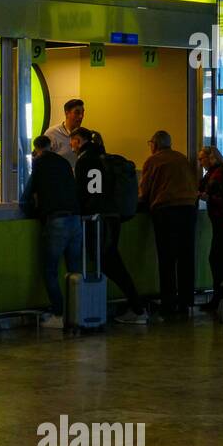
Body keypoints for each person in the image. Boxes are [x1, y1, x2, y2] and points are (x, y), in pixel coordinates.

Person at [72, 128, 147, 324]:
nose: (71, 146)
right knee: (110, 261)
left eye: (72, 142)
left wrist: (83, 210)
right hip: (111, 217)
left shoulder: (86, 160)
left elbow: (90, 191)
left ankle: (138, 308)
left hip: (98, 219)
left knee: (109, 262)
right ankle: (135, 306)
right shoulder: (102, 157)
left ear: (79, 141)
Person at [19, 134, 81, 329]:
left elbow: (25, 197)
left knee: (50, 270)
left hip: (56, 221)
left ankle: (59, 313)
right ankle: (78, 314)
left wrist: (35, 213)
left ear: (37, 149)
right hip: (76, 219)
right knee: (74, 272)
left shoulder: (38, 164)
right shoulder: (63, 163)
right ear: (51, 146)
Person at [139, 130, 200, 319]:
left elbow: (145, 190)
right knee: (186, 256)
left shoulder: (153, 161)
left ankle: (168, 303)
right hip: (189, 210)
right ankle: (185, 302)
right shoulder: (182, 159)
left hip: (166, 211)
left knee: (167, 258)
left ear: (154, 144)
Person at [198, 145, 223, 315]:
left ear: (210, 157)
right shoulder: (218, 172)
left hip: (222, 221)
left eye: (201, 159)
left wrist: (208, 197)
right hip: (221, 220)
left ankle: (220, 296)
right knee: (219, 258)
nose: (200, 162)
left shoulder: (218, 174)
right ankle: (221, 295)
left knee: (216, 258)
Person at [47, 99, 85, 168]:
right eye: (77, 113)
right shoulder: (52, 133)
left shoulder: (84, 135)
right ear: (67, 113)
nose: (81, 116)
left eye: (82, 113)